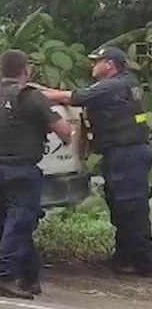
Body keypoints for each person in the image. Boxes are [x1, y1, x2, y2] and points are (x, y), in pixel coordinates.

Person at [36, 47, 151, 276]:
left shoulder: (113, 86)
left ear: (109, 64)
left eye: (96, 62)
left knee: (130, 208)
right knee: (120, 206)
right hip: (123, 152)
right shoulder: (126, 81)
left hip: (126, 153)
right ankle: (125, 256)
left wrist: (33, 93)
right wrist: (41, 90)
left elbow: (73, 97)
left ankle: (142, 261)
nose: (92, 66)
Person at [0, 50, 73, 298]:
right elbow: (65, 132)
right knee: (19, 223)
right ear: (25, 71)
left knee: (13, 224)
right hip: (20, 171)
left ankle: (29, 277)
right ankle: (2, 276)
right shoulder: (32, 97)